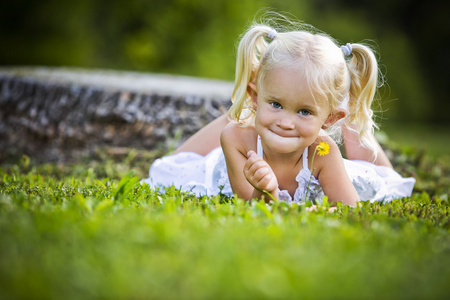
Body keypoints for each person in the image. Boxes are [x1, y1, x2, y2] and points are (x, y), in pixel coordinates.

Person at [141, 17, 415, 206]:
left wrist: (320, 211)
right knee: (171, 166)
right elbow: (248, 204)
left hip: (327, 136)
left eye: (305, 111)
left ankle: (348, 109)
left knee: (386, 181)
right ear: (256, 95)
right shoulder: (235, 139)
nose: (285, 122)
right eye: (276, 104)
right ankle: (256, 107)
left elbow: (348, 208)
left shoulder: (324, 151)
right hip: (235, 144)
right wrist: (266, 191)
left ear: (329, 119)